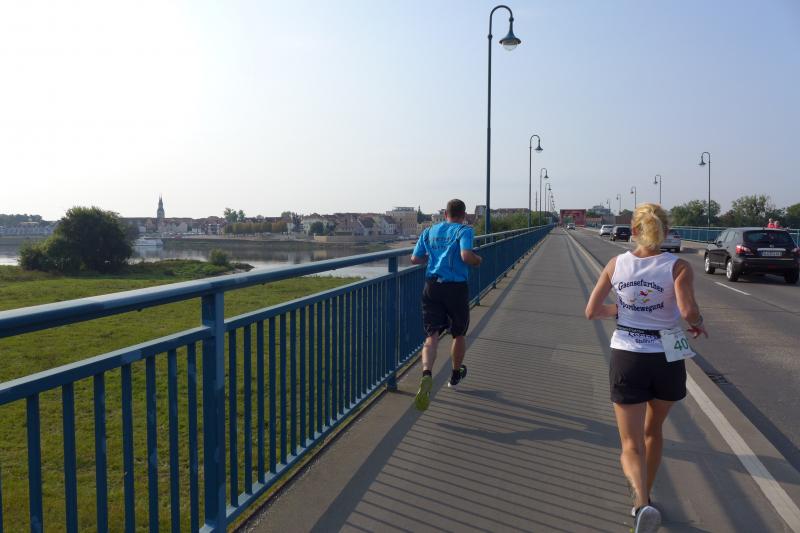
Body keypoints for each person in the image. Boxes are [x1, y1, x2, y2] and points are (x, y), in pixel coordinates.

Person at [585, 203, 708, 533]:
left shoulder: (616, 264)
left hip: (629, 356)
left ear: (634, 231)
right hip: (667, 356)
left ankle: (641, 503)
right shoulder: (678, 266)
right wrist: (698, 322)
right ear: (666, 231)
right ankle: (646, 500)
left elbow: (591, 311)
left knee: (631, 444)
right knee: (654, 432)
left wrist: (621, 309)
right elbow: (687, 311)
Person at [410, 199, 482, 412]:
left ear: (446, 214)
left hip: (432, 286)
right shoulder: (464, 230)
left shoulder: (429, 231)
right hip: (455, 288)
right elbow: (466, 256)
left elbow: (415, 259)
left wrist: (433, 257)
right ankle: (455, 375)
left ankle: (426, 373)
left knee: (431, 335)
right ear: (464, 215)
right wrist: (478, 260)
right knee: (458, 334)